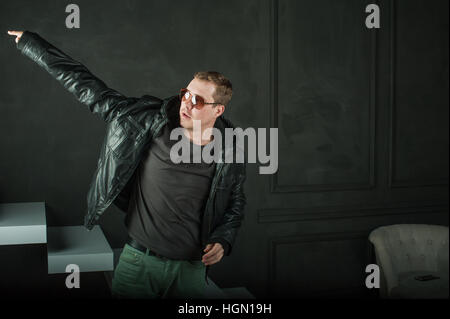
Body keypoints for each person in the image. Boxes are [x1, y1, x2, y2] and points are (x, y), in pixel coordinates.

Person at [7, 30, 247, 299]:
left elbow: (235, 202)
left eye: (198, 101)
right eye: (186, 94)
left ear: (218, 110)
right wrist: (33, 45)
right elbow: (90, 88)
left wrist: (224, 239)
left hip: (190, 271)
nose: (187, 104)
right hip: (139, 262)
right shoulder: (147, 121)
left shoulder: (231, 149)